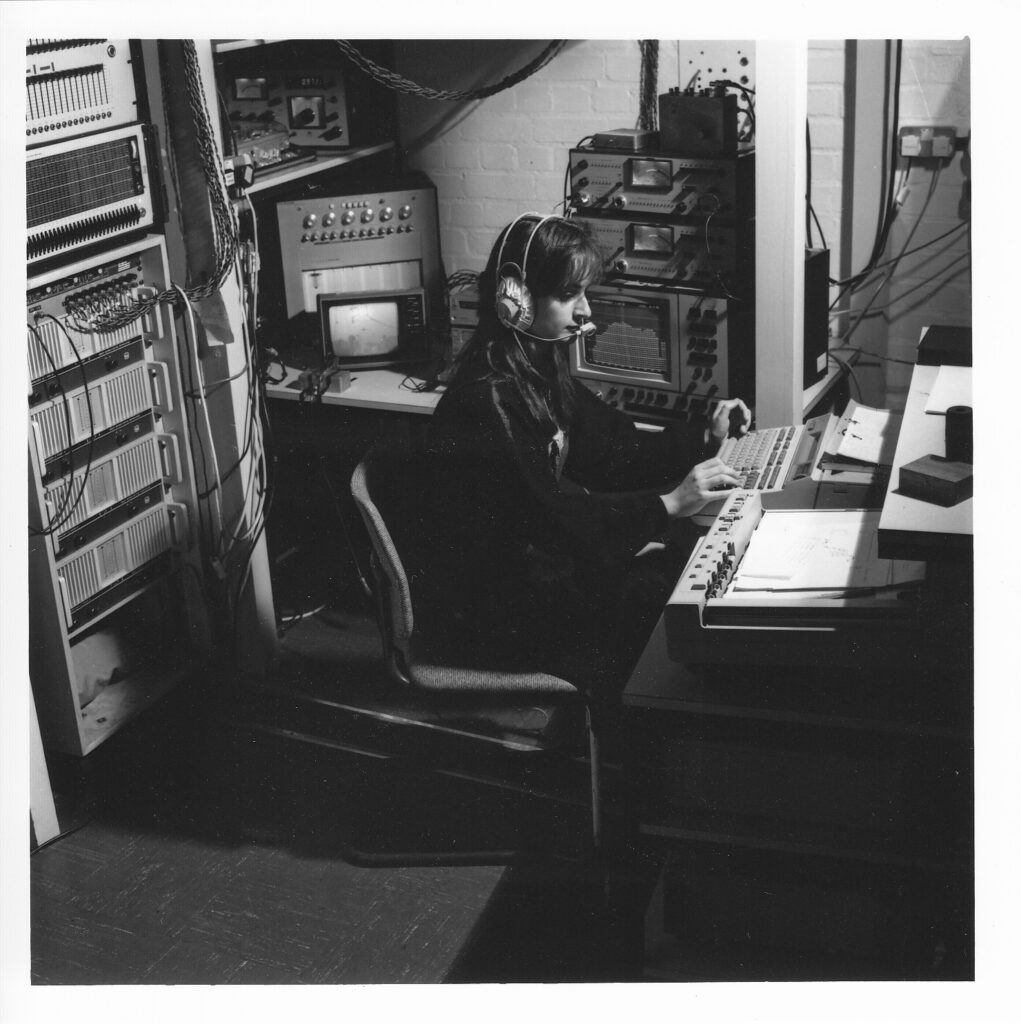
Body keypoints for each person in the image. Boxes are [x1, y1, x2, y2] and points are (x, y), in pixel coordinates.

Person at [404, 212, 751, 705]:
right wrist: (668, 505)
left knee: (671, 566)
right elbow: (551, 518)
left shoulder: (538, 369)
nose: (585, 310)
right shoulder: (487, 400)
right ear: (516, 300)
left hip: (526, 576)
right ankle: (622, 733)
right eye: (569, 295)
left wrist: (703, 438)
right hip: (491, 612)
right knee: (657, 586)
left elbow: (614, 448)